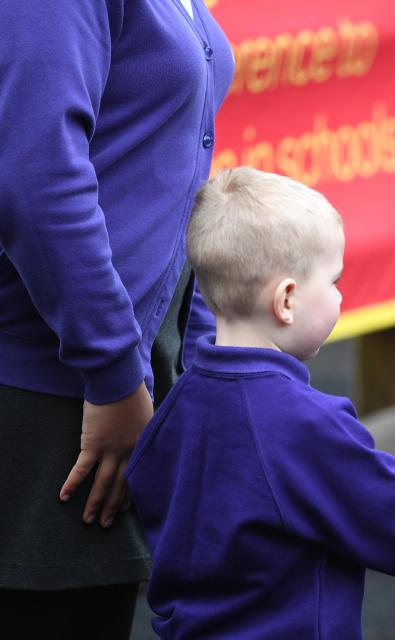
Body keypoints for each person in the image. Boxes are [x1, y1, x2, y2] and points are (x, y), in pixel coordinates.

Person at [125, 167, 395, 639]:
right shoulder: (305, 425)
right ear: (286, 300)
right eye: (334, 281)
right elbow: (394, 524)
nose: (341, 296)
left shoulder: (177, 404)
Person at [0, 1, 233, 637]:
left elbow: (179, 177)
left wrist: (201, 368)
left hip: (122, 387)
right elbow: (36, 175)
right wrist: (111, 375)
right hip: (48, 395)